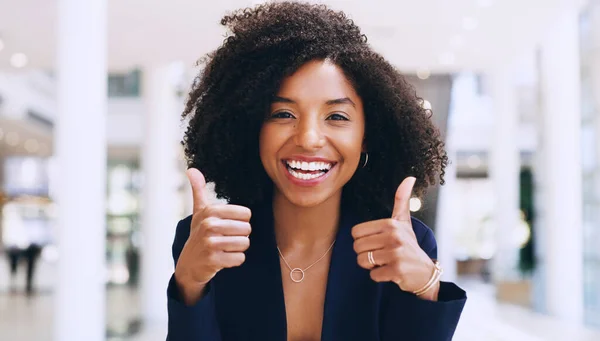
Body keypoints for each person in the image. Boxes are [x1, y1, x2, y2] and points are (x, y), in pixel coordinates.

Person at [167, 2, 467, 340]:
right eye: (283, 114)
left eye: (337, 117)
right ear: (253, 127)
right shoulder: (210, 239)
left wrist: (425, 287)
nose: (308, 139)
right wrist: (189, 282)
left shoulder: (403, 245)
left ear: (367, 137)